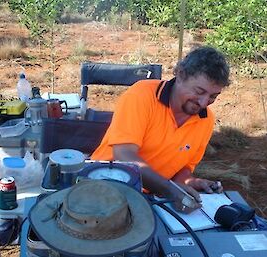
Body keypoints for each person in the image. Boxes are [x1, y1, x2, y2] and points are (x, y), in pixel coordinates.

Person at [91, 46, 230, 213]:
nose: (203, 103)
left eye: (213, 97)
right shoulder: (142, 95)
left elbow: (184, 168)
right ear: (180, 74)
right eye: (199, 91)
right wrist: (170, 190)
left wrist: (190, 182)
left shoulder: (206, 120)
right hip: (106, 187)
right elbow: (124, 156)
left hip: (154, 199)